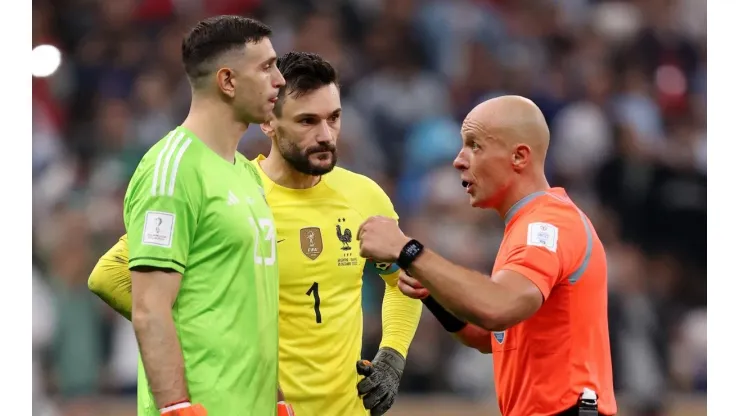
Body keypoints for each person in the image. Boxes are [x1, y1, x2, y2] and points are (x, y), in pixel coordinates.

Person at [89, 51, 422, 416]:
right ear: (268, 122)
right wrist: (200, 339)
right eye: (307, 121)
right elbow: (110, 275)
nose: (326, 135)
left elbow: (404, 281)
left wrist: (392, 355)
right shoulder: (233, 194)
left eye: (334, 118)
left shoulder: (364, 195)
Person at [356, 96, 617, 416]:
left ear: (519, 157)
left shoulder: (547, 225)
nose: (458, 160)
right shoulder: (526, 227)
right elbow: (487, 335)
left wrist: (408, 251)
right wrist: (432, 290)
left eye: (474, 146)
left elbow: (498, 307)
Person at [111, 15, 291, 416]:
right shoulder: (172, 170)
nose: (279, 80)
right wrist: (177, 408)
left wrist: (276, 398)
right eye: (266, 67)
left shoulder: (247, 173)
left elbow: (248, 302)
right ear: (227, 81)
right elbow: (149, 309)